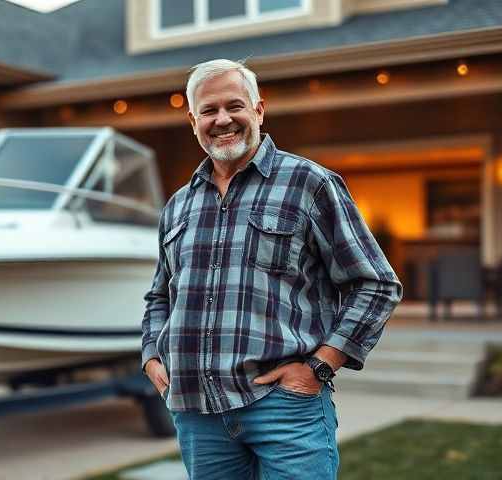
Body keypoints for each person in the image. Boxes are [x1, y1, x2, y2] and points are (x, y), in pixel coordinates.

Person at [140, 59, 403, 480]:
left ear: (259, 110)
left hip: (283, 407)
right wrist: (152, 354)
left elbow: (375, 283)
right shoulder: (178, 206)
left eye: (234, 106)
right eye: (208, 111)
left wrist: (320, 365)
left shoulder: (309, 183)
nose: (222, 119)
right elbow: (159, 295)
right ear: (193, 121)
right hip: (197, 414)